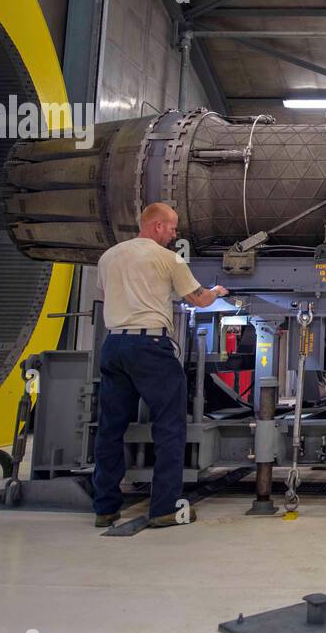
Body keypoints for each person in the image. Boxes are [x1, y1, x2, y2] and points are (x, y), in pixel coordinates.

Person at [92, 202, 228, 528]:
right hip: (150, 346)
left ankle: (105, 507)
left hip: (113, 345)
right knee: (169, 425)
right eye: (172, 228)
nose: (175, 234)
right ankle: (164, 506)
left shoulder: (108, 256)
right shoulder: (169, 258)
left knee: (110, 427)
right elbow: (198, 299)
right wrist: (217, 290)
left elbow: (105, 293)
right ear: (156, 227)